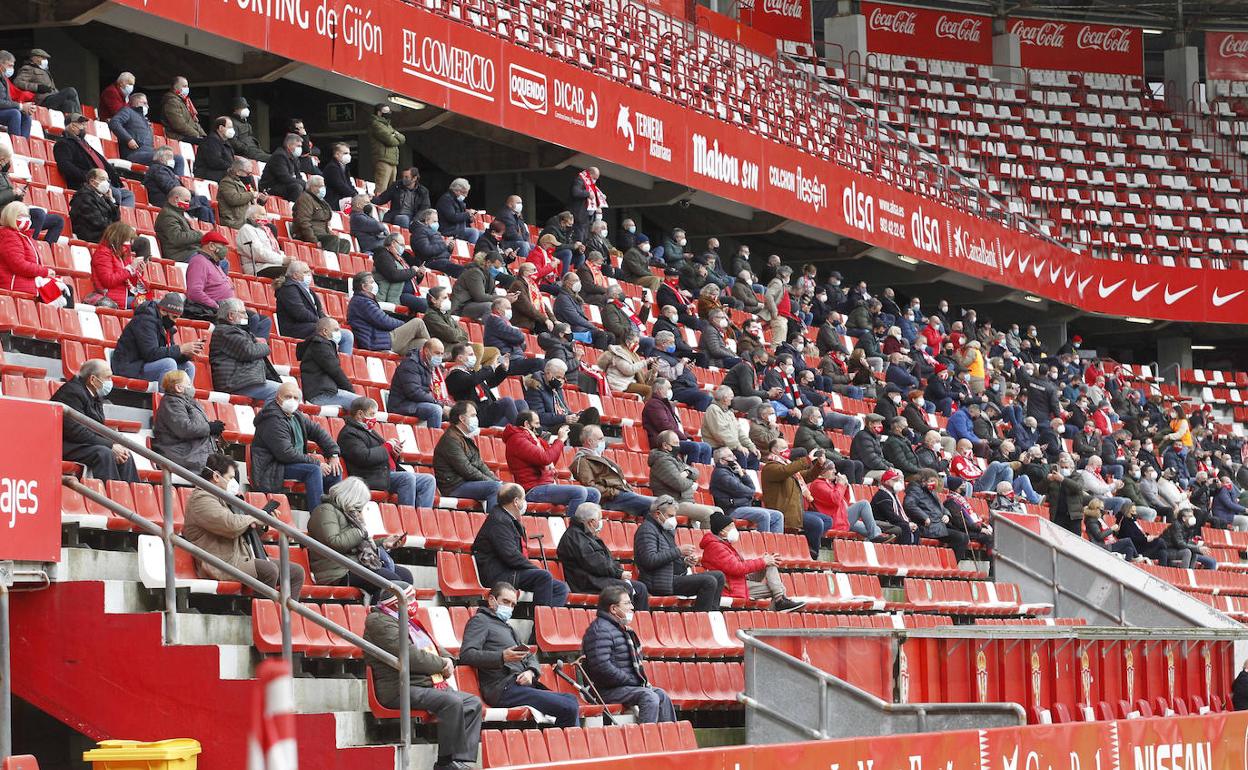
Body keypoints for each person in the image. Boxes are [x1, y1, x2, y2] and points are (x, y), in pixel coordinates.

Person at [184, 452, 306, 594]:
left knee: (296, 573)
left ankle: (283, 614)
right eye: (230, 477)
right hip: (220, 562)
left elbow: (245, 531)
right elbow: (231, 525)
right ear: (216, 476)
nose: (233, 482)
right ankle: (263, 612)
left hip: (240, 557)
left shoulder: (224, 498)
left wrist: (262, 522)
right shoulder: (201, 499)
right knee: (269, 570)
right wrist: (255, 517)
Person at [460, 582, 579, 726]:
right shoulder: (480, 621)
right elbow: (467, 654)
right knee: (568, 707)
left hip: (520, 685)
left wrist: (530, 671)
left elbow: (529, 655)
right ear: (491, 600)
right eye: (506, 602)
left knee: (571, 700)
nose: (509, 608)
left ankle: (559, 746)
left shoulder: (508, 627)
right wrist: (501, 657)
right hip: (503, 688)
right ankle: (566, 747)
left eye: (512, 605)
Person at [582, 584, 675, 723]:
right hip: (607, 690)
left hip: (624, 687)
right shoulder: (600, 630)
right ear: (613, 608)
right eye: (627, 603)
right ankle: (647, 741)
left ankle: (668, 740)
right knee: (649, 697)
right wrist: (629, 680)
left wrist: (632, 682)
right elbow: (601, 666)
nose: (631, 607)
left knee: (661, 695)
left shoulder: (619, 628)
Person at [306, 475, 411, 595]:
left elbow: (358, 544)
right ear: (350, 498)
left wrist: (383, 543)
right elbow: (334, 542)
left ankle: (385, 610)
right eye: (359, 504)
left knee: (406, 576)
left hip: (355, 564)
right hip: (337, 571)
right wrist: (360, 531)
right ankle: (378, 612)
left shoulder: (349, 514)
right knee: (392, 581)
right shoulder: (325, 510)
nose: (361, 508)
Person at [471, 483, 569, 606]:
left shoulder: (507, 518)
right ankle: (540, 623)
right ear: (516, 502)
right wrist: (534, 569)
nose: (525, 502)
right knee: (543, 577)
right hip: (498, 574)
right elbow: (510, 556)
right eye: (523, 499)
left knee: (560, 588)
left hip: (509, 571)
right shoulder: (499, 521)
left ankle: (545, 623)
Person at [338, 397, 436, 509]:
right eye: (372, 414)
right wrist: (387, 447)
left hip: (386, 473)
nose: (374, 418)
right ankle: (409, 519)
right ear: (360, 414)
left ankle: (422, 519)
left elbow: (383, 452)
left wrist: (394, 453)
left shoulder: (368, 430)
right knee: (407, 478)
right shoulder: (349, 434)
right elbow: (364, 457)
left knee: (428, 480)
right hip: (370, 476)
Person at [50, 360, 139, 481]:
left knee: (124, 455)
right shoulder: (72, 392)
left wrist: (116, 443)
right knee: (104, 453)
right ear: (92, 379)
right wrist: (110, 445)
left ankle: (127, 497)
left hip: (80, 443)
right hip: (62, 444)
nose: (110, 382)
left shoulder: (95, 395)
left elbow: (97, 427)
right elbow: (76, 432)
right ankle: (110, 497)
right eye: (107, 377)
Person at [503, 411, 601, 519]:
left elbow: (551, 461)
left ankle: (585, 530)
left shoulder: (536, 440)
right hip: (532, 489)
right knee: (580, 492)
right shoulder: (517, 439)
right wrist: (560, 440)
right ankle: (572, 531)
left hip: (546, 484)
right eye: (536, 424)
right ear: (527, 424)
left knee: (594, 493)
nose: (539, 427)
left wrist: (558, 442)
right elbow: (546, 458)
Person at [700, 511, 804, 611]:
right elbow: (736, 568)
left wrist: (765, 561)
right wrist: (762, 561)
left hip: (739, 581)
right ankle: (780, 600)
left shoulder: (723, 545)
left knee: (771, 562)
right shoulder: (715, 547)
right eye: (731, 527)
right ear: (722, 532)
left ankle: (780, 600)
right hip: (730, 588)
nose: (735, 529)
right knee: (777, 588)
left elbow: (739, 568)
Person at [633, 496, 724, 610]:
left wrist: (685, 562)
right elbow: (650, 560)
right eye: (670, 516)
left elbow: (670, 557)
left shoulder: (665, 529)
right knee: (708, 581)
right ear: (657, 514)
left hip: (670, 577)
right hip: (658, 582)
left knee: (719, 576)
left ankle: (712, 615)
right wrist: (678, 551)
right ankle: (702, 620)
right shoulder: (646, 530)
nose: (673, 519)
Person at [557, 504, 649, 609]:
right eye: (599, 519)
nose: (601, 522)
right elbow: (596, 564)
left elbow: (607, 558)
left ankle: (640, 622)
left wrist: (618, 570)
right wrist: (619, 574)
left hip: (596, 578)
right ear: (591, 522)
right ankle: (623, 621)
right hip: (586, 582)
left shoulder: (586, 534)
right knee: (625, 588)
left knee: (640, 588)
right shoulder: (575, 538)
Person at [186, 232, 271, 336]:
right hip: (215, 311)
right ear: (211, 246)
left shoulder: (214, 263)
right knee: (251, 319)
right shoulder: (199, 261)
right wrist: (216, 306)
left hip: (228, 308)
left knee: (264, 321)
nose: (225, 250)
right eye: (222, 246)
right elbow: (194, 292)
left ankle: (255, 345)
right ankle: (245, 346)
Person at [110, 292, 200, 386]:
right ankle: (167, 400)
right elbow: (150, 354)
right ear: (163, 311)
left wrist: (186, 355)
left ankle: (185, 399)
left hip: (143, 364)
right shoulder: (145, 320)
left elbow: (166, 352)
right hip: (129, 367)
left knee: (188, 366)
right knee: (168, 364)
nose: (175, 321)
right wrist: (180, 349)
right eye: (174, 317)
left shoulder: (166, 323)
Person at [761, 438, 829, 559]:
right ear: (774, 450)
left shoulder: (789, 467)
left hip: (795, 511)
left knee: (827, 520)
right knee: (816, 523)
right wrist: (807, 459)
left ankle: (806, 545)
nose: (787, 451)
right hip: (782, 511)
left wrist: (819, 464)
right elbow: (785, 471)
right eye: (783, 448)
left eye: (787, 448)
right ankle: (811, 554)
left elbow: (808, 476)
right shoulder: (770, 467)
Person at [570, 424, 656, 517]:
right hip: (610, 499)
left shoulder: (601, 458)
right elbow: (590, 487)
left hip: (622, 494)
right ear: (590, 441)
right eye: (600, 439)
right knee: (658, 504)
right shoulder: (582, 461)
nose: (603, 442)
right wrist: (614, 492)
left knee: (655, 510)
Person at [54, 113, 134, 209]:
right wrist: (88, 177)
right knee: (116, 193)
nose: (84, 127)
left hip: (103, 181)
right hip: (88, 183)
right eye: (81, 124)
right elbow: (65, 166)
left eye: (84, 124)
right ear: (72, 125)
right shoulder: (63, 143)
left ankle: (123, 220)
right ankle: (114, 220)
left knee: (128, 195)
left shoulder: (83, 143)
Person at [433, 402, 502, 511]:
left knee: (511, 489)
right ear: (462, 418)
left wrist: (497, 480)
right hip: (454, 486)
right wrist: (493, 482)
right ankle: (495, 526)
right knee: (494, 488)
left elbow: (479, 464)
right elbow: (466, 470)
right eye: (473, 416)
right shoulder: (451, 440)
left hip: (467, 482)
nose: (476, 419)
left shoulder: (464, 437)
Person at [209, 299, 281, 402]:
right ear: (231, 316)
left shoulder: (238, 331)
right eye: (243, 313)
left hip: (242, 381)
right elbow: (250, 351)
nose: (247, 317)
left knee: (288, 391)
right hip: (235, 383)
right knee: (280, 392)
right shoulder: (225, 332)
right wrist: (265, 346)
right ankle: (268, 418)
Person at [151, 370, 220, 474]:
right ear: (178, 387)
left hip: (194, 453)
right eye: (189, 384)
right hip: (182, 455)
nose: (192, 386)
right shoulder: (171, 402)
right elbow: (184, 428)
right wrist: (209, 428)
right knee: (223, 472)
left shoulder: (190, 402)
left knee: (230, 469)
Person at [276, 261, 351, 351]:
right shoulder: (289, 289)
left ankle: (339, 362)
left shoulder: (309, 291)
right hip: (296, 329)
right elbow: (300, 313)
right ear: (295, 275)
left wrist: (328, 322)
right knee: (341, 335)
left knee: (345, 334)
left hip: (310, 326)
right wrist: (322, 322)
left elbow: (319, 311)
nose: (309, 275)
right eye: (305, 272)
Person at [647, 430, 717, 526]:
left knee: (719, 512)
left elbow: (696, 472)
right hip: (672, 503)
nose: (678, 446)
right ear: (665, 445)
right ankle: (706, 540)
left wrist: (687, 472)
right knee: (708, 514)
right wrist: (691, 481)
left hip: (685, 501)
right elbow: (680, 484)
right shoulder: (662, 461)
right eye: (675, 443)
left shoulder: (675, 458)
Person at [709, 447, 784, 533]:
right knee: (764, 515)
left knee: (778, 515)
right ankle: (763, 543)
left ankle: (775, 545)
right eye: (730, 456)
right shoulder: (721, 474)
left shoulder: (734, 471)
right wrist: (748, 497)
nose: (735, 458)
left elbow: (752, 489)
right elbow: (744, 491)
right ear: (722, 461)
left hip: (742, 506)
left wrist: (743, 474)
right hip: (731, 510)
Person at [903, 469, 971, 562]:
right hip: (928, 527)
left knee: (964, 536)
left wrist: (946, 515)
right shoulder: (915, 489)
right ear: (923, 480)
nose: (933, 483)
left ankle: (950, 566)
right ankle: (950, 566)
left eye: (934, 481)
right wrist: (924, 517)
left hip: (938, 525)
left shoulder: (931, 491)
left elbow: (941, 507)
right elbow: (909, 504)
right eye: (930, 481)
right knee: (961, 538)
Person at [347, 271, 423, 353]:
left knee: (423, 343)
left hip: (383, 340)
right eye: (372, 282)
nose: (375, 285)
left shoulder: (364, 301)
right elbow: (385, 322)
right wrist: (406, 326)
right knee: (418, 323)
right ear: (364, 287)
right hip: (377, 343)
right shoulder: (362, 302)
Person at [111, 92, 185, 174]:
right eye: (144, 103)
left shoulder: (144, 119)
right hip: (134, 153)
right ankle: (176, 185)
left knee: (177, 159)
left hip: (149, 153)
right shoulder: (127, 111)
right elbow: (114, 123)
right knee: (172, 159)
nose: (147, 106)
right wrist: (128, 139)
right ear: (136, 103)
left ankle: (176, 184)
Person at [808, 464, 887, 541]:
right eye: (831, 469)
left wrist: (844, 484)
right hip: (833, 521)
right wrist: (840, 484)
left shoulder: (828, 483)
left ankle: (870, 543)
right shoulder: (817, 484)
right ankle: (874, 538)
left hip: (841, 517)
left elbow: (845, 499)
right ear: (823, 471)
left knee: (876, 529)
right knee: (864, 504)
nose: (835, 471)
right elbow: (835, 499)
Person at [641, 379, 711, 465]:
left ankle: (703, 475)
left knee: (707, 447)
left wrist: (688, 437)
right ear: (659, 390)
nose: (671, 391)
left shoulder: (664, 404)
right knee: (694, 447)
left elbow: (677, 426)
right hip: (663, 441)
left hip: (674, 439)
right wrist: (684, 438)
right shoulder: (654, 404)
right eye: (668, 388)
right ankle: (690, 474)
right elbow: (664, 426)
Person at [0, 147, 61, 243]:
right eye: (7, 160)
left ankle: (43, 251)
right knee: (38, 214)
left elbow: (10, 199)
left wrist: (18, 196)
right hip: (4, 215)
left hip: (13, 212)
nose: (9, 163)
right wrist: (12, 193)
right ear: (2, 159)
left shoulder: (4, 175)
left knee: (58, 220)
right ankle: (30, 245)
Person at [297, 317, 357, 409]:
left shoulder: (321, 344)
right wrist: (351, 391)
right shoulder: (320, 345)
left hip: (326, 393)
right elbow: (335, 371)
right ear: (325, 331)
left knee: (363, 403)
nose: (339, 333)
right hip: (321, 396)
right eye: (336, 330)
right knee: (362, 404)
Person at [0, 201, 58, 292]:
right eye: (21, 216)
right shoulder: (9, 236)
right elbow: (19, 265)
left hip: (27, 283)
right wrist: (45, 272)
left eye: (27, 216)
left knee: (62, 288)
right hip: (14, 285)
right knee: (61, 291)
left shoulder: (26, 237)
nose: (26, 219)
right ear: (11, 217)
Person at [88, 221, 146, 308]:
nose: (130, 243)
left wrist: (138, 271)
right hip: (112, 298)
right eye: (128, 239)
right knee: (153, 306)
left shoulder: (122, 254)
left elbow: (131, 283)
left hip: (127, 296)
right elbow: (108, 281)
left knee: (156, 303)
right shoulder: (102, 254)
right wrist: (130, 269)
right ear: (119, 238)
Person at [702, 386, 761, 470]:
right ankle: (740, 479)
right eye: (731, 397)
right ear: (725, 398)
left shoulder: (729, 413)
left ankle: (749, 481)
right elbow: (720, 433)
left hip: (731, 446)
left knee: (754, 456)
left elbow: (740, 433)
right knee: (740, 455)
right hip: (717, 448)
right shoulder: (713, 409)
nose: (732, 399)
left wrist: (752, 447)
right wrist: (738, 446)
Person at [483, 297, 545, 376]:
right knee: (539, 363)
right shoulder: (495, 321)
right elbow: (519, 337)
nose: (510, 311)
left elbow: (523, 345)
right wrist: (518, 333)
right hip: (507, 360)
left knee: (544, 364)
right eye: (508, 308)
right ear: (498, 310)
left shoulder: (504, 322)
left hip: (514, 358)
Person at [372, 233, 429, 315]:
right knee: (426, 305)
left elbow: (408, 278)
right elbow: (393, 275)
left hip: (407, 293)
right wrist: (413, 271)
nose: (403, 247)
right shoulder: (383, 255)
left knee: (432, 304)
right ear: (393, 243)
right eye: (401, 244)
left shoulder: (399, 258)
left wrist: (418, 275)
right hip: (399, 294)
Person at [553, 272, 613, 349]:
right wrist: (592, 327)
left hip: (581, 328)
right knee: (601, 335)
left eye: (579, 281)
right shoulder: (563, 299)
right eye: (575, 280)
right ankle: (598, 359)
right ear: (567, 283)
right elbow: (575, 318)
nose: (578, 283)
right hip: (572, 330)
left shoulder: (574, 297)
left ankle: (606, 359)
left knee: (611, 336)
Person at [292, 176, 349, 253]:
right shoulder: (305, 199)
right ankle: (327, 263)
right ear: (312, 187)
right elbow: (303, 222)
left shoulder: (321, 201)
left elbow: (325, 222)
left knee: (345, 243)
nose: (323, 188)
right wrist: (313, 240)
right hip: (308, 235)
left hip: (322, 234)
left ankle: (339, 263)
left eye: (323, 186)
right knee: (332, 239)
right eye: (320, 186)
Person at [14, 48, 79, 113]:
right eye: (43, 58)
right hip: (43, 101)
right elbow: (17, 82)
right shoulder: (28, 68)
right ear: (34, 58)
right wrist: (37, 87)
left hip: (52, 98)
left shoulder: (45, 71)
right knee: (70, 91)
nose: (46, 60)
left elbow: (52, 88)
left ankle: (74, 121)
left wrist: (59, 94)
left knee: (69, 103)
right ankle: (79, 117)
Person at [67, 168, 120, 245]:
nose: (106, 183)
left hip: (104, 235)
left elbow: (117, 219)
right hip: (91, 236)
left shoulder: (104, 197)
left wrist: (111, 200)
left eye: (107, 180)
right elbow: (99, 222)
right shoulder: (84, 196)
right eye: (102, 179)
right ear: (92, 181)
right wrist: (116, 230)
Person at [153, 185, 204, 263]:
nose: (188, 204)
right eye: (186, 201)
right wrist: (200, 234)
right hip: (179, 255)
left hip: (186, 251)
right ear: (176, 199)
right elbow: (177, 238)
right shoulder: (168, 215)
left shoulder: (177, 213)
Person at [601, 331, 656, 399]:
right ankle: (643, 409)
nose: (637, 345)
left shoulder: (634, 355)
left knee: (652, 390)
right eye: (635, 342)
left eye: (638, 343)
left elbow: (642, 376)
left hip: (628, 381)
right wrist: (645, 362)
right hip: (618, 383)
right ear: (627, 342)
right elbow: (628, 370)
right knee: (649, 390)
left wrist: (653, 371)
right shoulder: (619, 353)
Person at [236, 204, 286, 278]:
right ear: (252, 216)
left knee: (298, 268)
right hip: (258, 268)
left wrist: (286, 259)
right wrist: (282, 260)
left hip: (272, 264)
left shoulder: (265, 230)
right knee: (292, 273)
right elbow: (258, 253)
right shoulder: (246, 229)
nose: (265, 217)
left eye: (265, 215)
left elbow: (275, 251)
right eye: (262, 214)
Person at [259, 133, 306, 202]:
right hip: (270, 186)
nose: (300, 149)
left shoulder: (294, 157)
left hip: (282, 185)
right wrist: (305, 184)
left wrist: (305, 185)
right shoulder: (279, 156)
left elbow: (298, 175)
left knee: (307, 189)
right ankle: (291, 209)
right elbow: (284, 177)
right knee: (297, 187)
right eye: (298, 146)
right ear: (289, 145)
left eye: (300, 146)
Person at [369, 103, 405, 191]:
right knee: (381, 189)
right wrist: (394, 136)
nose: (389, 113)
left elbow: (403, 139)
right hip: (383, 160)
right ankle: (380, 205)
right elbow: (390, 140)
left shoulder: (387, 125)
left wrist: (394, 134)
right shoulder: (376, 124)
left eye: (389, 111)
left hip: (392, 161)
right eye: (386, 111)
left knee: (392, 190)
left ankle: (390, 205)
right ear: (379, 113)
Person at [159, 76, 204, 143]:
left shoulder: (184, 102)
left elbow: (194, 122)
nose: (187, 89)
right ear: (175, 87)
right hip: (177, 138)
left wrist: (203, 135)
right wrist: (197, 135)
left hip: (187, 136)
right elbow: (179, 125)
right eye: (184, 86)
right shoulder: (171, 102)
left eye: (187, 86)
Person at [435, 178, 480, 244]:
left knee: (483, 234)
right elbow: (452, 217)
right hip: (449, 230)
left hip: (459, 228)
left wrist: (470, 218)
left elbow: (461, 216)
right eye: (464, 193)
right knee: (474, 232)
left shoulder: (458, 200)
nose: (466, 195)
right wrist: (468, 214)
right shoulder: (446, 200)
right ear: (457, 191)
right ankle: (470, 253)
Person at [568, 167, 605, 241]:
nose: (595, 181)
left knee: (585, 238)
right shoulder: (579, 180)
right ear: (590, 174)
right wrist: (588, 194)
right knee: (580, 238)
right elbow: (575, 192)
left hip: (586, 217)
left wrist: (600, 196)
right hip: (579, 215)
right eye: (594, 178)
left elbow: (594, 194)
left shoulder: (590, 184)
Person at [195, 116, 236, 182]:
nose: (232, 130)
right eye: (229, 127)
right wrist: (232, 168)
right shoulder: (211, 141)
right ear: (221, 128)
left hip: (220, 172)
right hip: (209, 174)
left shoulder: (225, 142)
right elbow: (215, 162)